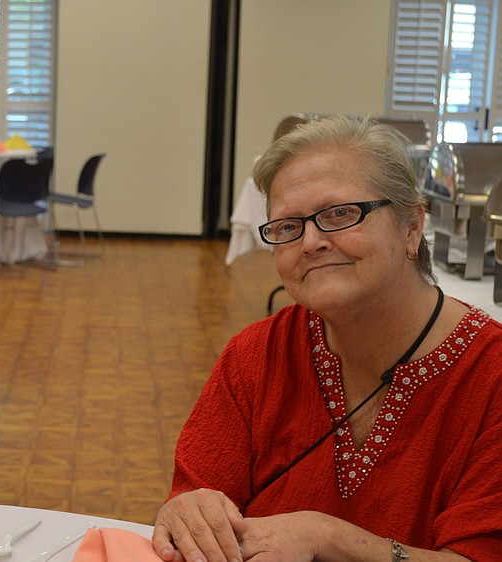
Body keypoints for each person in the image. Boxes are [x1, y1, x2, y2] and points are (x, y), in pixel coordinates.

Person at [152, 115, 502, 561]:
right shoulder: (255, 355)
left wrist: (325, 538)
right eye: (287, 227)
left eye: (339, 214)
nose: (311, 242)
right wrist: (187, 511)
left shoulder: (491, 376)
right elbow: (195, 500)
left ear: (412, 226)